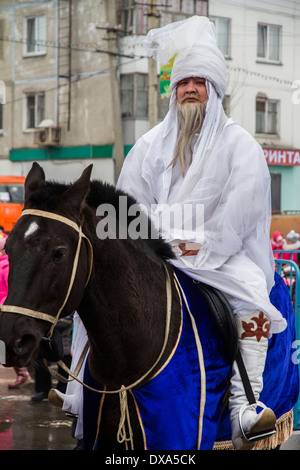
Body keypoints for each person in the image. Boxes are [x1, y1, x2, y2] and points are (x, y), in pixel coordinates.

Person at [116, 16, 287, 450]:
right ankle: (89, 388)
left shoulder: (239, 144)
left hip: (223, 257)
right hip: (160, 258)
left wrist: (202, 247)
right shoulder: (148, 146)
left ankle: (244, 407)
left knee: (248, 294)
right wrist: (155, 247)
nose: (190, 87)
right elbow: (128, 205)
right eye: (183, 81)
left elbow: (240, 212)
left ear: (215, 89)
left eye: (200, 80)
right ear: (173, 91)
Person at [0, 238, 31, 389]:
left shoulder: (6, 266)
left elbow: (9, 291)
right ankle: (22, 371)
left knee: (5, 345)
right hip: (4, 309)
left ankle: (23, 371)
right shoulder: (5, 265)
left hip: (4, 310)